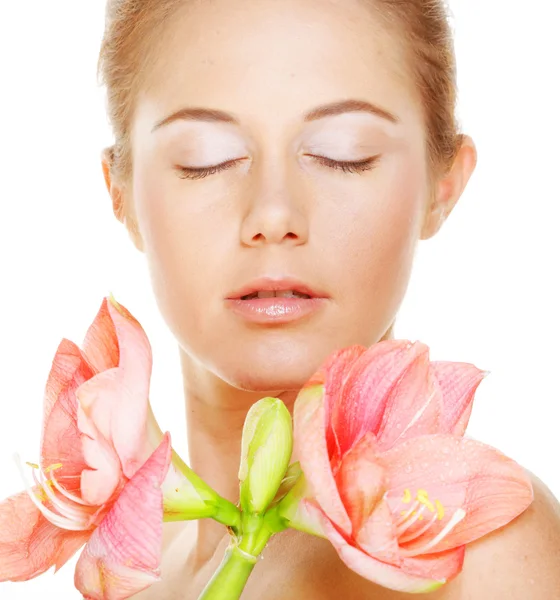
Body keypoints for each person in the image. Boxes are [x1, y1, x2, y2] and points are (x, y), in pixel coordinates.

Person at [97, 0, 560, 598]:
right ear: (120, 195)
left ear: (443, 187)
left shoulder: (479, 549)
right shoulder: (128, 571)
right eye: (204, 160)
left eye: (345, 153)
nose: (272, 215)